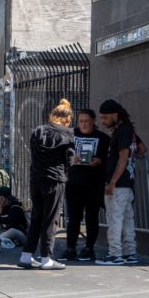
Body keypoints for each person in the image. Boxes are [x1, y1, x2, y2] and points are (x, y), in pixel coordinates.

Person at [17, 98, 75, 270]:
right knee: (51, 219)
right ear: (67, 118)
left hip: (36, 178)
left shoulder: (38, 130)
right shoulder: (67, 133)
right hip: (55, 179)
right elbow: (69, 161)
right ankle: (46, 258)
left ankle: (26, 256)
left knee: (36, 216)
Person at [59, 108, 111, 262]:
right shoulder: (70, 135)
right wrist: (70, 159)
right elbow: (61, 154)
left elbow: (109, 159)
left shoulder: (103, 138)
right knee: (73, 217)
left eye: (87, 120)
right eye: (81, 121)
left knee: (91, 217)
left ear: (93, 121)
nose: (83, 124)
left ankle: (89, 248)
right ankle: (70, 248)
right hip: (73, 183)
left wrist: (100, 161)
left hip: (93, 184)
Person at [96, 99, 139, 266]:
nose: (103, 121)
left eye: (105, 117)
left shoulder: (122, 132)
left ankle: (115, 254)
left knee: (114, 219)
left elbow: (123, 156)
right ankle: (130, 253)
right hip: (128, 183)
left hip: (119, 184)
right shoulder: (129, 131)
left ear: (115, 115)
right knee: (127, 219)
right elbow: (142, 149)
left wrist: (112, 182)